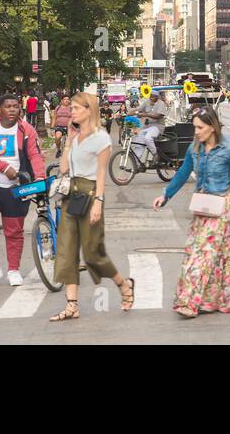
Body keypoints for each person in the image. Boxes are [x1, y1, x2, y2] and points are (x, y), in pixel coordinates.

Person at [153, 106, 230, 318]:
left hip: (220, 209)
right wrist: (166, 195)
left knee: (202, 257)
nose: (196, 132)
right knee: (210, 256)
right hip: (202, 208)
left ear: (212, 127)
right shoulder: (195, 148)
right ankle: (219, 300)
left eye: (200, 127)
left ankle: (188, 302)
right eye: (194, 128)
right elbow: (182, 173)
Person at [48, 92, 135, 321]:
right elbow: (65, 168)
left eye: (76, 108)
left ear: (89, 110)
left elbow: (100, 174)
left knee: (93, 254)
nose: (72, 112)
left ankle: (124, 285)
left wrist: (99, 202)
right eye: (73, 108)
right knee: (66, 249)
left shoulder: (101, 138)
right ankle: (72, 305)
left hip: (90, 193)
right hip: (71, 195)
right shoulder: (76, 137)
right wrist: (68, 141)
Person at [0, 94, 46, 288]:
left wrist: (39, 177)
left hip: (16, 189)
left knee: (14, 231)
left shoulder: (27, 130)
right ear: (0, 110)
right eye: (8, 106)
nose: (12, 109)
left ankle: (13, 270)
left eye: (15, 106)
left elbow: (35, 155)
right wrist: (3, 167)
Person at [133, 91, 169, 161]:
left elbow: (158, 116)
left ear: (157, 97)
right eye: (151, 96)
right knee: (139, 141)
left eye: (153, 97)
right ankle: (136, 163)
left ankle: (155, 154)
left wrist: (146, 114)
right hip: (146, 127)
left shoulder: (161, 103)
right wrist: (130, 113)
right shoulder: (146, 102)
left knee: (147, 138)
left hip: (157, 126)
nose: (151, 98)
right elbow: (138, 110)